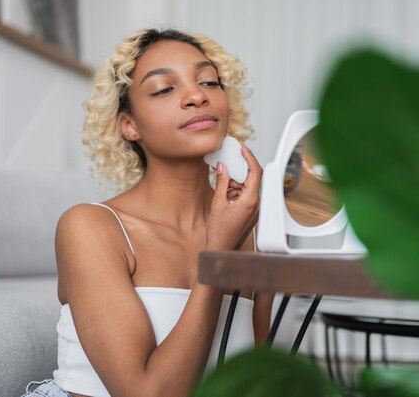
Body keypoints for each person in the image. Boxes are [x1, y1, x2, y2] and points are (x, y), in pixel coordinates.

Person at [21, 28, 274, 397]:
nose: (196, 95)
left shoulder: (256, 229)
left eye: (209, 82)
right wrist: (217, 257)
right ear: (129, 125)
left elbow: (257, 379)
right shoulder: (89, 228)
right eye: (164, 89)